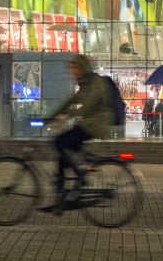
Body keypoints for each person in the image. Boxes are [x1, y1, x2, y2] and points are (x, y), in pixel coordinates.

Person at [42, 54, 112, 214]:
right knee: (63, 153)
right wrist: (52, 117)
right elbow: (70, 102)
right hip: (89, 123)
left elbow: (86, 106)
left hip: (96, 124)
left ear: (83, 68)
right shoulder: (85, 84)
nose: (73, 71)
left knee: (60, 141)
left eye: (76, 67)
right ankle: (61, 197)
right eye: (71, 68)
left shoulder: (95, 83)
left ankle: (80, 176)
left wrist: (66, 116)